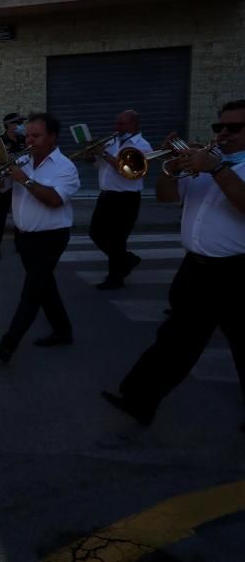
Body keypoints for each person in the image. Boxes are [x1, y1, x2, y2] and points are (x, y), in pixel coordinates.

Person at [102, 100, 245, 430]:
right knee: (174, 340)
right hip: (197, 268)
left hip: (236, 273)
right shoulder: (210, 163)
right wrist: (172, 165)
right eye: (219, 127)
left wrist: (216, 169)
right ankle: (139, 400)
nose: (223, 133)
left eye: (234, 128)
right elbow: (167, 197)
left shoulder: (218, 166)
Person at [0, 112, 81, 362]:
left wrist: (25, 180)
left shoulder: (65, 167)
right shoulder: (23, 161)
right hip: (25, 237)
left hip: (51, 237)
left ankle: (8, 344)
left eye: (36, 135)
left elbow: (53, 200)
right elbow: (2, 188)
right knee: (44, 286)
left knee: (31, 292)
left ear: (52, 137)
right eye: (27, 135)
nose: (29, 140)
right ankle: (63, 331)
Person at [88, 110, 153, 290]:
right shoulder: (111, 141)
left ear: (133, 124)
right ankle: (126, 259)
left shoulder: (142, 146)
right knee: (95, 232)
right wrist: (92, 155)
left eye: (121, 124)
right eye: (116, 123)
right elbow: (99, 164)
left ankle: (115, 278)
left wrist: (103, 154)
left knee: (117, 239)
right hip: (106, 196)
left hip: (126, 198)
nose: (116, 127)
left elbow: (128, 169)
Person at [0, 112, 27, 259]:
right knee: (0, 216)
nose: (21, 126)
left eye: (21, 123)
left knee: (20, 213)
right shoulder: (0, 141)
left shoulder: (24, 139)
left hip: (21, 181)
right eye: (18, 123)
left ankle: (20, 245)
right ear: (9, 125)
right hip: (6, 183)